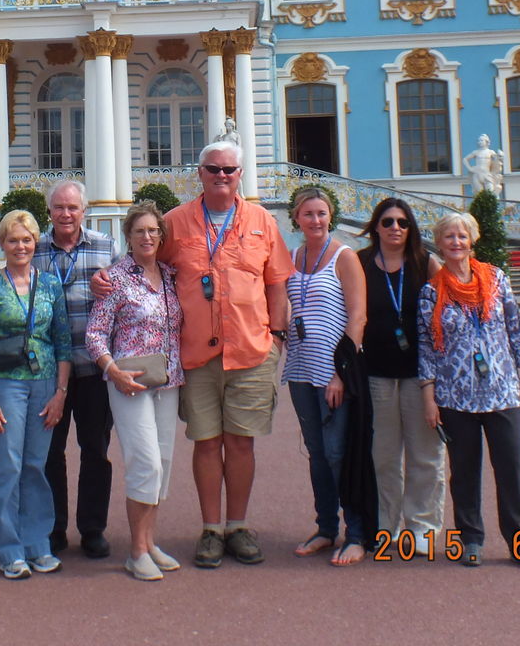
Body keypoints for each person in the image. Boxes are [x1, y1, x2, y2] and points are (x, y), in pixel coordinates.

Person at [155, 134, 293, 569]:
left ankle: (238, 524)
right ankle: (211, 528)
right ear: (200, 173)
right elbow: (148, 270)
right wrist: (109, 280)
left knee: (241, 442)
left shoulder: (261, 221)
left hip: (251, 350)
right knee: (206, 442)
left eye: (228, 170)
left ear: (240, 175)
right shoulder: (176, 223)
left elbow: (276, 281)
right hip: (196, 354)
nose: (220, 176)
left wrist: (277, 338)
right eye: (212, 169)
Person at [419, 212, 520, 571]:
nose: (455, 243)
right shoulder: (430, 292)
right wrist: (429, 397)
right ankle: (471, 539)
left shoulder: (497, 279)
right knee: (464, 470)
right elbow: (426, 348)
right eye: (448, 237)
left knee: (511, 468)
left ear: (471, 240)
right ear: (439, 244)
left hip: (501, 390)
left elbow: (516, 331)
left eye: (461, 236)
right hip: (455, 395)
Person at [0, 209, 72, 580]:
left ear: (35, 243)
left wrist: (61, 392)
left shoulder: (49, 285)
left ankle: (38, 543)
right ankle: (10, 549)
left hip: (45, 382)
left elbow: (62, 342)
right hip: (6, 383)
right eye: (13, 240)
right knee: (9, 466)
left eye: (27, 239)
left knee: (36, 465)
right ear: (3, 244)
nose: (21, 246)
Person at [85, 200, 185, 581]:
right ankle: (136, 550)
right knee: (144, 462)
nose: (148, 237)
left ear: (162, 236)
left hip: (169, 380)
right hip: (130, 383)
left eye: (153, 231)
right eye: (140, 231)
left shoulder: (170, 275)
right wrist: (113, 371)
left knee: (163, 463)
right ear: (128, 237)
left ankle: (151, 542)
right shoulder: (114, 278)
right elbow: (94, 334)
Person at [283, 187, 368, 567]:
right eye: (308, 214)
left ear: (330, 216)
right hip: (301, 369)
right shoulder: (293, 257)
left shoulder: (344, 257)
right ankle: (324, 527)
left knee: (338, 453)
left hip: (334, 372)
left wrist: (341, 374)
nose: (315, 220)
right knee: (316, 454)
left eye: (321, 213)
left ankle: (357, 532)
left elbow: (358, 317)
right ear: (296, 219)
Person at [358, 197, 444, 550]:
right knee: (383, 454)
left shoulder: (426, 264)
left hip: (419, 376)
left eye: (403, 223)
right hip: (376, 374)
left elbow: (444, 318)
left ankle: (422, 526)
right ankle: (386, 522)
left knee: (425, 453)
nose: (396, 228)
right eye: (389, 222)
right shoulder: (360, 262)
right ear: (376, 226)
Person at [39, 179, 117, 559]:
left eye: (72, 207)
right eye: (58, 207)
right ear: (49, 211)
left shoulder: (105, 246)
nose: (65, 214)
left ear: (84, 211)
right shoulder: (34, 248)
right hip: (50, 373)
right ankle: (53, 529)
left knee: (95, 450)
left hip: (95, 368)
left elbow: (126, 294)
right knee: (50, 453)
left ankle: (92, 528)